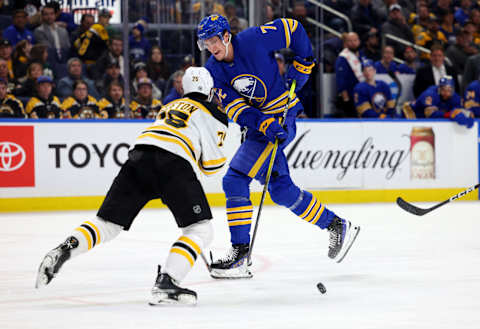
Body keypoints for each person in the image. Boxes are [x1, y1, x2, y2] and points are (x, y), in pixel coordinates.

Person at [35, 67, 229, 305]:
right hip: (174, 164)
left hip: (139, 155)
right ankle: (168, 281)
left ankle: (65, 248)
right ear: (209, 88)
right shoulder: (213, 111)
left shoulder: (168, 107)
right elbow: (212, 167)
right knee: (200, 229)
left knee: (107, 224)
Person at [197, 15, 360, 278]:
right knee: (281, 190)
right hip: (262, 129)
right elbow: (235, 108)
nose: (211, 48)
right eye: (206, 43)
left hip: (285, 115)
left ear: (226, 36)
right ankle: (336, 225)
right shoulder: (213, 72)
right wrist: (262, 123)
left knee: (235, 179)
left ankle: (239, 254)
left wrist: (305, 61)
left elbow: (293, 29)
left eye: (214, 41)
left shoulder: (253, 39)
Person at [403, 75, 474, 127]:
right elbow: (430, 114)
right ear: (439, 89)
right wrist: (449, 114)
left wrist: (467, 113)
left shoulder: (455, 97)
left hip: (426, 119)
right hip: (411, 113)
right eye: (443, 90)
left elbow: (457, 111)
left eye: (449, 90)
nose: (446, 93)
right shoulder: (429, 95)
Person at [335, 32, 366, 117]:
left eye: (355, 40)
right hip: (351, 96)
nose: (353, 43)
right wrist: (346, 99)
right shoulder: (343, 57)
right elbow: (341, 80)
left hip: (363, 95)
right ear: (346, 43)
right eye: (350, 41)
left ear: (359, 41)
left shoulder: (362, 55)